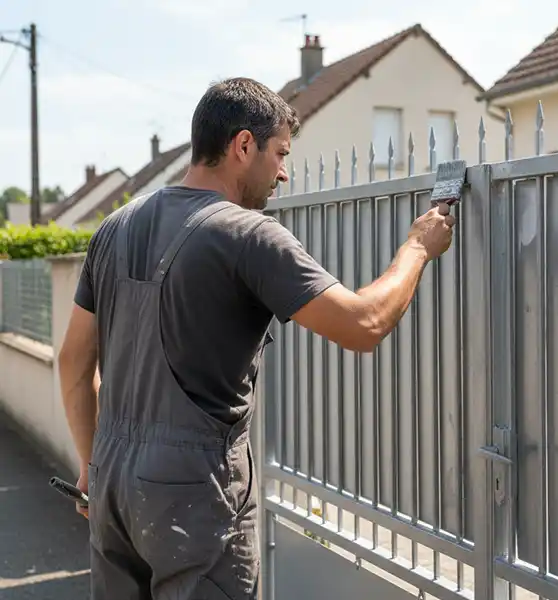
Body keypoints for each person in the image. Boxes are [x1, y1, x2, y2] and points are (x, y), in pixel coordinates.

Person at [56, 76, 456, 600]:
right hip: (193, 496)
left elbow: (72, 362)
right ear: (243, 145)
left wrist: (93, 465)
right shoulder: (247, 234)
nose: (283, 172)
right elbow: (364, 324)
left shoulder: (113, 228)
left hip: (112, 486)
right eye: (279, 153)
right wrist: (417, 248)